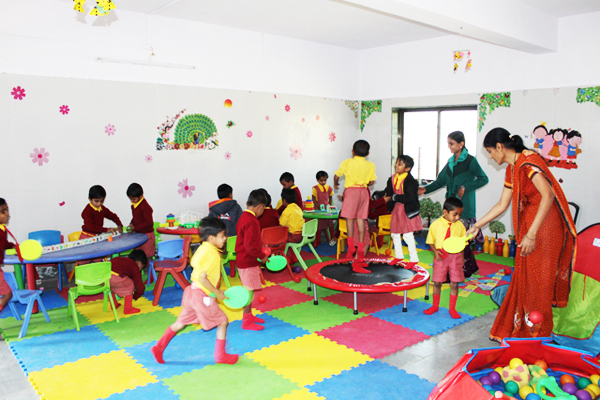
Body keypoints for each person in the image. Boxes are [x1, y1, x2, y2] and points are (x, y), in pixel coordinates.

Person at [467, 127, 576, 342]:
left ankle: (539, 334)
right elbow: (502, 204)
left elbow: (547, 196)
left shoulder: (528, 162)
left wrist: (532, 234)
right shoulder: (512, 168)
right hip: (531, 226)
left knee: (539, 281)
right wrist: (477, 225)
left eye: (490, 151)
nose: (490, 157)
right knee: (526, 278)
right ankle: (524, 327)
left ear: (500, 147)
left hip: (544, 228)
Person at [151, 217, 238, 365]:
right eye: (222, 236)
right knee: (223, 321)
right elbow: (203, 278)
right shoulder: (211, 254)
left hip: (191, 292)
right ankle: (220, 356)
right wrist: (218, 294)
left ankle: (158, 347)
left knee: (180, 323)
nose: (225, 239)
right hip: (202, 296)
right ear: (211, 238)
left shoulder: (202, 248)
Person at [418, 131, 488, 277]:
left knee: (461, 239)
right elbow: (440, 181)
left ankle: (466, 268)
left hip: (464, 207)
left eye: (452, 143)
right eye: (448, 143)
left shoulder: (470, 161)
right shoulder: (450, 162)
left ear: (461, 144)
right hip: (450, 206)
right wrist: (425, 189)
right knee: (455, 238)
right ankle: (470, 266)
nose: (449, 146)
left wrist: (465, 187)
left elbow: (483, 179)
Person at [334, 140, 377, 267]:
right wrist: (364, 181)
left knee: (349, 220)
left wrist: (335, 183)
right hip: (363, 192)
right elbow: (371, 182)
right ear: (368, 153)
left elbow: (336, 176)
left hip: (351, 191)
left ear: (352, 152)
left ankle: (351, 246)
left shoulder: (347, 162)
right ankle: (361, 249)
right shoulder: (370, 165)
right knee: (361, 220)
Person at [424, 197, 466, 319]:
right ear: (445, 212)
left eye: (460, 214)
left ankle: (452, 309)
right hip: (441, 256)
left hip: (455, 256)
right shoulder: (435, 225)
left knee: (455, 283)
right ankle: (435, 306)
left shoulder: (460, 226)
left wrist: (462, 258)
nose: (457, 217)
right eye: (455, 214)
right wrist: (435, 251)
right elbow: (430, 240)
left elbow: (462, 244)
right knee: (437, 283)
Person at [235, 190, 269, 331]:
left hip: (246, 260)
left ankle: (249, 315)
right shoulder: (252, 221)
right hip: (247, 261)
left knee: (250, 290)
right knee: (248, 292)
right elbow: (250, 246)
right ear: (261, 206)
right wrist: (262, 256)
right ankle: (246, 322)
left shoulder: (243, 217)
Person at [387, 155, 423, 263]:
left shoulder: (411, 181)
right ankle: (398, 255)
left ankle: (414, 258)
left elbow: (410, 197)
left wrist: (395, 197)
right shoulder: (393, 178)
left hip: (407, 210)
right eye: (396, 163)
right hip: (396, 209)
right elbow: (388, 192)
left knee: (407, 235)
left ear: (407, 168)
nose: (396, 165)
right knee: (394, 233)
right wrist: (378, 196)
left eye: (400, 164)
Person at [109, 249, 147, 315]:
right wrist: (135, 296)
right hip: (116, 278)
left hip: (104, 278)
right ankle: (128, 309)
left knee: (110, 287)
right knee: (130, 284)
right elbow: (140, 286)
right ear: (139, 263)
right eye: (141, 268)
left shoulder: (119, 259)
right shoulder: (134, 266)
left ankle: (114, 304)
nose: (140, 270)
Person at [126, 183, 155, 258]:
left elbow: (149, 223)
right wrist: (131, 224)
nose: (131, 201)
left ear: (141, 196)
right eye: (130, 199)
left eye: (133, 199)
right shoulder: (134, 205)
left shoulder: (145, 207)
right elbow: (136, 217)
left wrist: (135, 228)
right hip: (138, 234)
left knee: (147, 256)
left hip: (147, 235)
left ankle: (149, 266)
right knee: (137, 255)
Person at [312, 171, 336, 247]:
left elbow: (330, 197)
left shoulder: (329, 188)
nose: (323, 182)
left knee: (330, 224)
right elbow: (313, 198)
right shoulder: (315, 188)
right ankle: (318, 241)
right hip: (318, 209)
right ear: (317, 180)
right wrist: (318, 206)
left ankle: (333, 240)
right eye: (321, 180)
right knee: (319, 225)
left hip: (327, 208)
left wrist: (330, 205)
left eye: (325, 180)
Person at [0, 199, 15, 313]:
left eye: (7, 210)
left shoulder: (2, 229)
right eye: (3, 212)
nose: (7, 214)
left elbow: (3, 243)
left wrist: (12, 246)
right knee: (7, 294)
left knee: (7, 294)